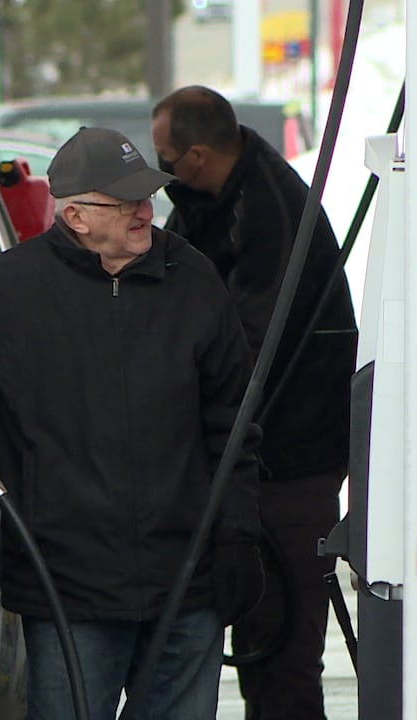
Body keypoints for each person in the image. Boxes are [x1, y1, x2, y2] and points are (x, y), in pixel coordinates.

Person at [0, 126, 266, 720]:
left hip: (186, 584)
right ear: (77, 216)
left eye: (146, 197)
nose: (145, 212)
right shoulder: (13, 289)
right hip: (69, 587)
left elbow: (235, 426)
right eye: (126, 203)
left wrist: (240, 534)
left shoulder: (192, 280)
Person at [151, 86, 358, 720]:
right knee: (259, 634)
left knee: (284, 648)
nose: (160, 177)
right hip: (247, 456)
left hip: (290, 460)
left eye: (163, 159)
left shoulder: (268, 212)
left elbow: (247, 346)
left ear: (195, 155)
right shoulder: (210, 200)